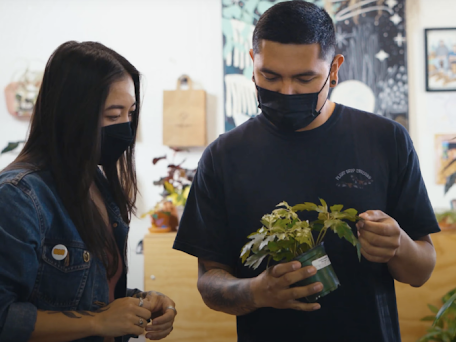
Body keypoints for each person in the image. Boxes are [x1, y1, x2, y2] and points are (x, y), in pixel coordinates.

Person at [173, 2, 439, 341]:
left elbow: (422, 269)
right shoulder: (223, 157)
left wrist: (398, 245)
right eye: (269, 76)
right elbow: (210, 282)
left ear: (335, 69)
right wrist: (257, 291)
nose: (287, 91)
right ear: (252, 61)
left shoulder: (386, 140)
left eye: (305, 78)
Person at [0, 41, 176, 342]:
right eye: (113, 116)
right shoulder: (16, 197)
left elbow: (79, 290)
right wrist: (97, 322)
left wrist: (141, 302)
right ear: (71, 115)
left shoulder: (97, 184)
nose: (124, 127)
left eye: (130, 113)